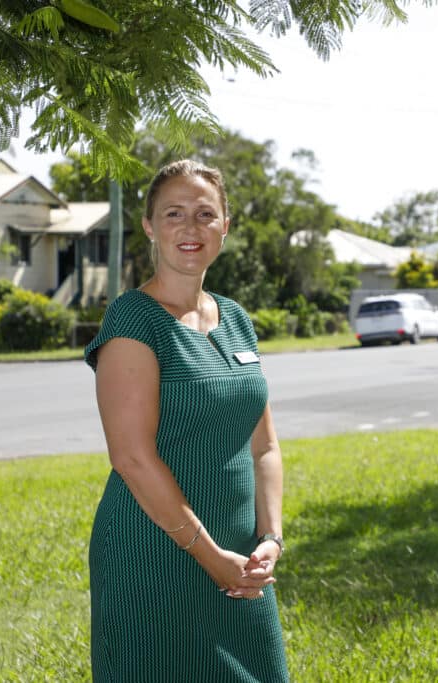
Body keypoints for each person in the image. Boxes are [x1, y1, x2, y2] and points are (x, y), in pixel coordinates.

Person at [84, 160, 289, 682]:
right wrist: (210, 556)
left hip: (241, 558)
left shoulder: (236, 318)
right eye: (173, 213)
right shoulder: (132, 319)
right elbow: (131, 457)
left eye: (205, 214)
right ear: (150, 226)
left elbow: (263, 447)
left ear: (226, 226)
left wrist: (271, 538)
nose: (190, 227)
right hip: (154, 554)